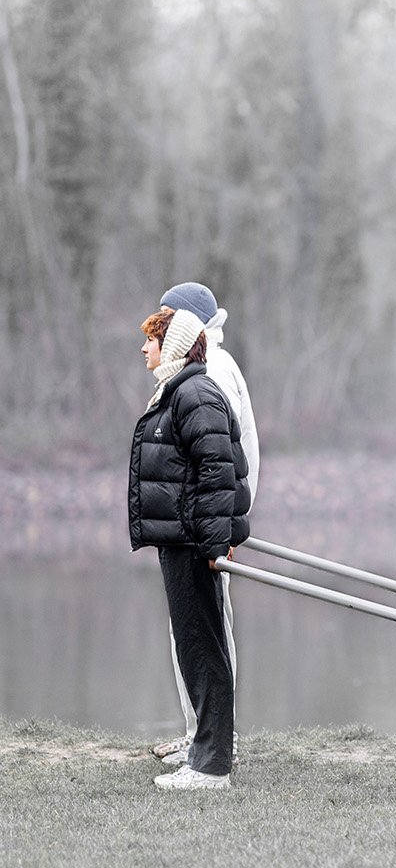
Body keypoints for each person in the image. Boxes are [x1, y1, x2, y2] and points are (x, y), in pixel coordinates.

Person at [128, 305, 250, 790]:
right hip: (182, 541)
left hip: (194, 544)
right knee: (197, 648)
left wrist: (215, 543)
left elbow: (219, 468)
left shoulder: (194, 393)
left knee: (203, 649)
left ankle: (211, 767)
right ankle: (204, 754)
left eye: (152, 340)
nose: (144, 348)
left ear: (173, 347)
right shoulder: (180, 390)